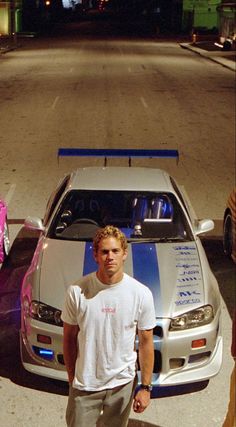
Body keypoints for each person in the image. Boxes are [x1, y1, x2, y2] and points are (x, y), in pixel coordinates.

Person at [61, 225, 156, 427]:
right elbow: (68, 338)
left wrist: (145, 387)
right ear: (95, 255)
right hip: (85, 385)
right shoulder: (77, 291)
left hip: (122, 384)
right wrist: (72, 379)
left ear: (125, 254)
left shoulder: (141, 294)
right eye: (104, 251)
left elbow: (146, 342)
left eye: (115, 251)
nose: (110, 257)